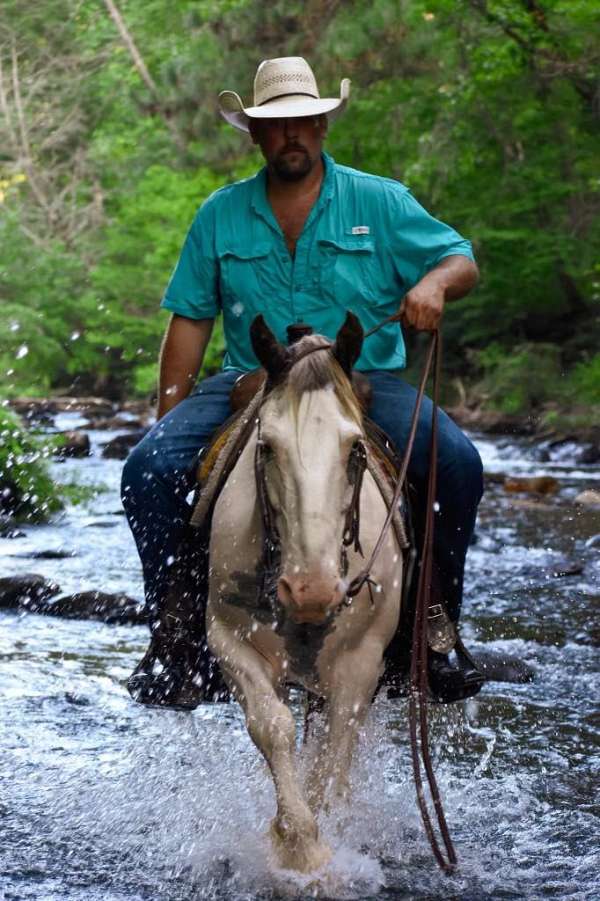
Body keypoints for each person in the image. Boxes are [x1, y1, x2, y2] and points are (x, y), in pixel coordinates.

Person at [121, 57, 484, 709]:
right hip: (249, 380)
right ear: (255, 135)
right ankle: (174, 634)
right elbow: (188, 326)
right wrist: (165, 417)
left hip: (362, 378)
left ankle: (433, 628)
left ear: (321, 124)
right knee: (146, 469)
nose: (291, 135)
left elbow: (460, 258)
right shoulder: (219, 214)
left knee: (456, 461)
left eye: (302, 122)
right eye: (275, 125)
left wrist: (432, 284)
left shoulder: (381, 201)